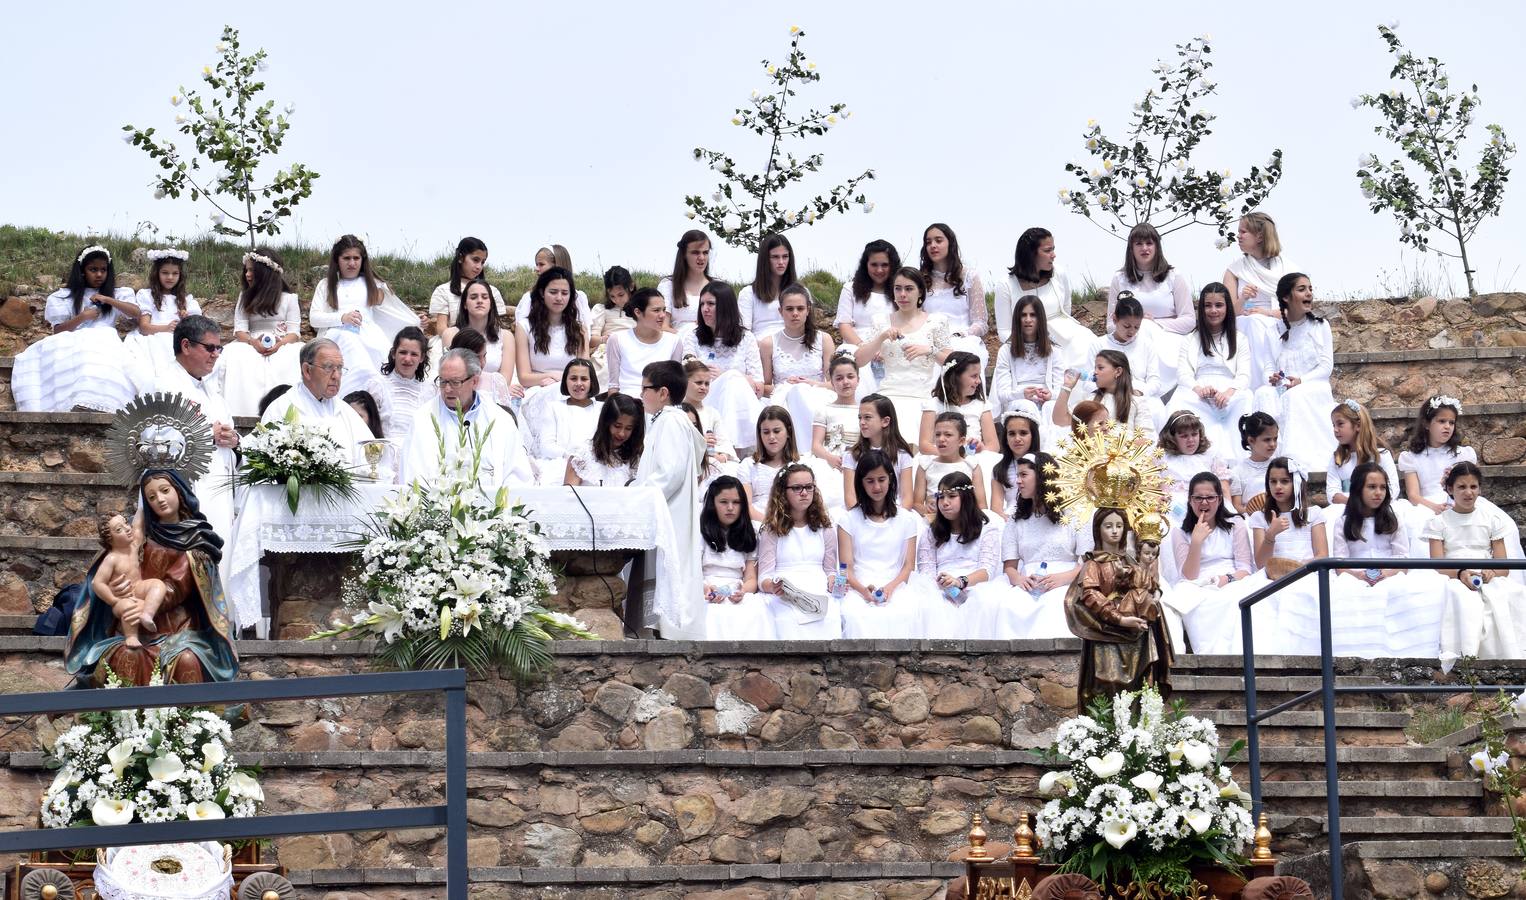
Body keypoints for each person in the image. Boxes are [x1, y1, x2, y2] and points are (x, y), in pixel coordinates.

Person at [66, 470, 238, 686]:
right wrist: (116, 590)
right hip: (136, 626)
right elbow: (109, 569)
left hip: (179, 628)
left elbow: (177, 586)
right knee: (125, 655)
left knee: (186, 661)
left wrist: (144, 604)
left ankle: (194, 717)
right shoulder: (140, 537)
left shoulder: (198, 541)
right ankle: (120, 718)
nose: (160, 500)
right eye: (152, 497)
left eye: (165, 491)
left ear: (180, 491)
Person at [1320, 462, 1439, 658]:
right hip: (1354, 576)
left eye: (1382, 487)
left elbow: (1402, 557)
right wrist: (1359, 575)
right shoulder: (1343, 523)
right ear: (1358, 489)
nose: (1378, 493)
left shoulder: (1394, 519)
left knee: (1406, 591)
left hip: (1391, 573)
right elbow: (1340, 563)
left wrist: (1384, 573)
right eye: (1372, 487)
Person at [964, 452, 1085, 640]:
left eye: (1023, 475)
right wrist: (1020, 580)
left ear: (1042, 475)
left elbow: (1088, 564)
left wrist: (1062, 578)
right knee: (1009, 606)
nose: (1017, 482)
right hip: (1027, 582)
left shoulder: (1072, 516)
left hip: (1067, 581)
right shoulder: (1016, 520)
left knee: (1055, 607)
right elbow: (1010, 568)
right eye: (1017, 475)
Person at [13, 245, 143, 413]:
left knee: (102, 340)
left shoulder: (117, 293)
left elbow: (136, 313)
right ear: (82, 270)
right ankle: (76, 400)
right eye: (93, 269)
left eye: (103, 270)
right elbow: (58, 331)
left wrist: (108, 299)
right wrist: (83, 317)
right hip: (73, 339)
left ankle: (99, 400)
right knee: (84, 349)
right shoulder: (64, 296)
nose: (99, 274)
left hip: (105, 339)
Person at [1067, 508, 1173, 708]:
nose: (1114, 531)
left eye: (1119, 526)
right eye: (1108, 526)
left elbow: (1148, 585)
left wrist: (1152, 598)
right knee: (1107, 683)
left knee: (1139, 686)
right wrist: (1119, 618)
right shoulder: (1093, 564)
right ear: (1098, 530)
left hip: (1135, 632)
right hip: (1105, 631)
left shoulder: (1130, 561)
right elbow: (1090, 595)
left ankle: (1137, 728)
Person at [633, 359, 707, 639]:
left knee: (671, 571)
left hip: (669, 512)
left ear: (662, 392)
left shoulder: (671, 421)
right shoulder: (666, 421)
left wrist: (639, 497)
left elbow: (670, 473)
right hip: (666, 510)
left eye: (645, 389)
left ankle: (671, 631)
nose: (641, 395)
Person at [152, 315, 240, 544]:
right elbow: (151, 441)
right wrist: (205, 434)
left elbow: (230, 432)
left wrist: (234, 439)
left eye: (218, 348)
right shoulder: (162, 386)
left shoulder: (212, 390)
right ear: (186, 345)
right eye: (210, 347)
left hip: (219, 490)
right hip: (186, 490)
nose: (216, 354)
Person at [1429, 462, 1526, 669]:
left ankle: (1509, 659)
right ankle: (1466, 658)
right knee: (1463, 600)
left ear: (1480, 489)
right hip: (1454, 575)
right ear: (1450, 489)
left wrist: (1491, 571)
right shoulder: (1438, 522)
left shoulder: (1491, 519)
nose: (1468, 493)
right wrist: (1460, 573)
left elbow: (1503, 565)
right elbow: (1437, 563)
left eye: (1473, 487)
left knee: (1508, 595)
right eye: (1461, 487)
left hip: (1485, 574)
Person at [837, 450, 940, 638]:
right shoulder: (847, 520)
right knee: (855, 616)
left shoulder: (907, 520)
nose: (876, 487)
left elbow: (908, 566)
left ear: (891, 479)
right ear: (861, 482)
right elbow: (845, 568)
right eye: (870, 481)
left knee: (904, 613)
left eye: (881, 479)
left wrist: (890, 588)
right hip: (858, 587)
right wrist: (863, 591)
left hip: (896, 585)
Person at [309, 235, 421, 404]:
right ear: (337, 260)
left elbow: (393, 311)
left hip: (368, 335)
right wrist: (341, 317)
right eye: (346, 258)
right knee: (351, 357)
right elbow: (314, 318)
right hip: (338, 335)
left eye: (356, 258)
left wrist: (415, 323)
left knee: (374, 369)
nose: (352, 263)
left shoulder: (372, 284)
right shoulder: (326, 285)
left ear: (363, 260)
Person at [402, 348, 533, 492]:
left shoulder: (501, 420)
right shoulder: (423, 419)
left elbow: (518, 477)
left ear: (475, 381)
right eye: (443, 381)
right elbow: (412, 477)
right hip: (438, 510)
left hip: (491, 509)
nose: (447, 389)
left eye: (455, 382)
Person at [854, 267, 952, 433]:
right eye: (897, 289)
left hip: (922, 394)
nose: (902, 294)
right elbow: (858, 360)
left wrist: (930, 350)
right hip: (890, 392)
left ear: (920, 292)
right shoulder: (881, 321)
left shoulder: (937, 321)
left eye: (909, 289)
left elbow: (952, 361)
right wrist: (882, 337)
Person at [1246, 458, 1329, 654]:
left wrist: (1298, 568)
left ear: (1296, 483)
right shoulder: (1260, 517)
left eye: (1284, 481)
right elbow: (1260, 563)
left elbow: (1322, 554)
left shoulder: (1313, 514)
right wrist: (1270, 535)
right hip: (1271, 577)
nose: (1278, 487)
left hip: (1306, 573)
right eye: (1273, 482)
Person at [1255, 272, 1336, 471]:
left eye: (1310, 289)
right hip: (1284, 386)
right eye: (1302, 289)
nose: (1309, 293)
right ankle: (1266, 456)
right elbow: (1268, 366)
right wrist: (1272, 378)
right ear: (1286, 297)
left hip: (1312, 386)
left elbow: (1326, 367)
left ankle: (1293, 458)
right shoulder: (1272, 331)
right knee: (1262, 393)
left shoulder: (1320, 326)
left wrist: (1301, 380)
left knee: (1294, 397)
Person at [1170, 473, 1257, 654]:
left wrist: (1226, 579)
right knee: (1187, 597)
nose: (1204, 503)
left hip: (1232, 579)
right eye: (1198, 498)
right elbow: (1188, 576)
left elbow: (1245, 568)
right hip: (1197, 584)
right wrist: (1196, 541)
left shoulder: (1236, 524)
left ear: (1219, 499)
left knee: (1233, 598)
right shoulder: (1179, 531)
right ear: (1190, 500)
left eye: (1210, 497)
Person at [757, 463, 845, 639]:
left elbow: (829, 570)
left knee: (831, 617)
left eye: (809, 487)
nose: (804, 493)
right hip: (785, 593)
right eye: (797, 488)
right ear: (783, 492)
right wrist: (772, 587)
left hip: (818, 588)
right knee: (787, 620)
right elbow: (764, 576)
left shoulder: (825, 528)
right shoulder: (771, 530)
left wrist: (834, 580)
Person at [1167, 283, 1254, 455]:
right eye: (1208, 305)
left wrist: (1228, 393)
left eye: (1219, 305)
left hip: (1230, 393)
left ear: (1227, 307)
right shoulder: (1191, 339)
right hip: (1198, 391)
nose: (1213, 310)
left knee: (1247, 398)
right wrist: (1199, 389)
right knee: (1177, 402)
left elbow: (1244, 375)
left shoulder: (1240, 339)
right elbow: (1183, 374)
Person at [1106, 223, 1193, 395]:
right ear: (1131, 248)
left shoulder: (1174, 276)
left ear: (1157, 246)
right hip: (1128, 339)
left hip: (1167, 339)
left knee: (1145, 329)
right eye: (1138, 244)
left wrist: (1154, 323)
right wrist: (1133, 325)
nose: (1144, 248)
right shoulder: (1119, 278)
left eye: (1149, 243)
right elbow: (1110, 323)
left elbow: (1189, 320)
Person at [259, 339, 374, 467]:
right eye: (329, 367)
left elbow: (370, 461)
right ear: (307, 370)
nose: (336, 376)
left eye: (340, 368)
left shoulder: (347, 413)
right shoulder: (280, 409)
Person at [681, 281, 764, 452]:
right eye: (702, 304)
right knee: (733, 377)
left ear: (726, 307)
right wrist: (738, 377)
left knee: (732, 378)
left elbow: (759, 388)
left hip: (742, 403)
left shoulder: (746, 338)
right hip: (705, 398)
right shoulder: (693, 338)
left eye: (711, 304)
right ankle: (728, 447)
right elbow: (687, 375)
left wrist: (729, 375)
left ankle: (734, 446)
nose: (705, 309)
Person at [916, 472, 1001, 637]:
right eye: (941, 497)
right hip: (938, 588)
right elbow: (926, 570)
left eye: (952, 496)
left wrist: (959, 582)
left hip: (974, 586)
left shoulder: (987, 530)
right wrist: (942, 584)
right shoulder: (931, 533)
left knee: (983, 603)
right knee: (927, 605)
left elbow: (987, 570)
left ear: (966, 498)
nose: (944, 503)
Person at [221, 249, 304, 417]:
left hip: (282, 342)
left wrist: (280, 343)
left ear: (265, 273)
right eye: (246, 270)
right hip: (251, 342)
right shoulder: (244, 297)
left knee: (295, 354)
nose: (248, 275)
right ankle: (243, 410)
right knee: (235, 354)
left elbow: (294, 332)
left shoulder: (289, 299)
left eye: (252, 270)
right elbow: (240, 330)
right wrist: (253, 342)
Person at [993, 228, 1089, 368]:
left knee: (1088, 347)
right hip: (1026, 340)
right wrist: (1027, 346)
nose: (1053, 255)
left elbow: (1066, 310)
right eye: (1047, 250)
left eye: (1053, 249)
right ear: (1031, 254)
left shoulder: (1060, 274)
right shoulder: (1005, 284)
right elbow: (1004, 331)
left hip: (1066, 336)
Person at [762, 283, 837, 450]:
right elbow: (765, 386)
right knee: (794, 393)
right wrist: (785, 386)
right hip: (783, 400)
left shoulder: (824, 340)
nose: (795, 313)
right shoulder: (768, 343)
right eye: (789, 309)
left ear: (808, 310)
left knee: (800, 393)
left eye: (800, 308)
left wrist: (811, 384)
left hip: (817, 397)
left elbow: (834, 384)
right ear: (780, 311)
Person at [699, 476, 774, 640]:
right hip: (706, 588)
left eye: (737, 502)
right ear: (713, 504)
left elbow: (751, 578)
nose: (730, 508)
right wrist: (706, 588)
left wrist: (742, 591)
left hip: (736, 588)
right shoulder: (700, 532)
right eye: (724, 502)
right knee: (712, 614)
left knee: (755, 612)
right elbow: (692, 573)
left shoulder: (751, 532)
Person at [1222, 212, 1290, 389]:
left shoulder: (1287, 269)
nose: (1238, 236)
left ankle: (1268, 384)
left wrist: (1267, 313)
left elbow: (1296, 310)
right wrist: (1243, 298)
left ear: (1259, 236)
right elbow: (1227, 313)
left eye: (1243, 232)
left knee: (1257, 322)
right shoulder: (1234, 270)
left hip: (1275, 320)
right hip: (1242, 323)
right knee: (1252, 322)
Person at [1088, 293, 1166, 430]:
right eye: (1127, 326)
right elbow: (1089, 379)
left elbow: (1155, 380)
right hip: (1107, 393)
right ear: (1114, 319)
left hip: (1139, 393)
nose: (1131, 331)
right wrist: (1111, 389)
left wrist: (1140, 392)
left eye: (1137, 327)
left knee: (1156, 411)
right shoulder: (1099, 344)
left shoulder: (1147, 345)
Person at [124, 248, 201, 385]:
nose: (170, 277)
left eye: (175, 273)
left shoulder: (185, 300)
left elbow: (195, 329)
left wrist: (186, 319)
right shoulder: (147, 296)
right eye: (165, 273)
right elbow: (144, 327)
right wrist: (166, 328)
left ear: (180, 275)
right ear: (157, 273)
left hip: (179, 338)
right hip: (154, 336)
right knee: (165, 346)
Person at [919, 223, 989, 371]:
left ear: (950, 243)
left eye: (938, 240)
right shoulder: (921, 279)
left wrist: (963, 334)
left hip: (963, 338)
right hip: (930, 340)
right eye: (928, 242)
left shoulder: (970, 276)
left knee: (960, 360)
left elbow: (980, 322)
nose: (933, 245)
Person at [835, 239, 899, 393]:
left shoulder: (900, 291)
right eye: (874, 265)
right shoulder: (850, 288)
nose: (879, 270)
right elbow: (844, 326)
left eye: (885, 265)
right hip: (856, 347)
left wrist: (883, 348)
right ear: (866, 265)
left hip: (890, 346)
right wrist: (866, 348)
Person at [525, 359, 602, 484]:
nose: (578, 383)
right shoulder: (553, 407)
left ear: (592, 381)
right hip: (561, 463)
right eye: (573, 378)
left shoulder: (601, 409)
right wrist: (570, 457)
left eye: (584, 379)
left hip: (595, 465)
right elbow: (546, 446)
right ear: (565, 381)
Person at [990, 295, 1065, 425]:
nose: (1028, 320)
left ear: (1040, 319)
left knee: (1050, 408)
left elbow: (1061, 390)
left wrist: (1050, 395)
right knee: (1027, 407)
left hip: (1046, 401)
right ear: (1017, 319)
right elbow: (1002, 394)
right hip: (1018, 402)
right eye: (1023, 315)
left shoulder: (1055, 351)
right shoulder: (1006, 351)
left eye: (1033, 315)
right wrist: (1021, 394)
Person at [919, 351, 998, 471]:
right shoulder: (933, 405)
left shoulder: (982, 406)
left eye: (979, 376)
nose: (979, 381)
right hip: (941, 459)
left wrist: (981, 448)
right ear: (956, 377)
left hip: (975, 460)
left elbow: (993, 445)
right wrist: (951, 455)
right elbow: (924, 445)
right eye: (973, 376)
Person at [1053, 350, 1155, 439]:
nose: (1094, 372)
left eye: (1100, 368)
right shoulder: (1091, 399)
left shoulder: (1137, 401)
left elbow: (1145, 438)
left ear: (1118, 371)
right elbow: (1060, 420)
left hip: (1124, 458)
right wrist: (1067, 387)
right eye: (1095, 368)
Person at [842, 394, 916, 510]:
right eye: (859, 417)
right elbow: (850, 497)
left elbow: (907, 498)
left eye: (867, 417)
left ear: (885, 421)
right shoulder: (852, 455)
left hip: (894, 512)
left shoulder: (902, 455)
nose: (862, 422)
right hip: (861, 513)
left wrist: (893, 520)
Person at [1157, 411, 1232, 526]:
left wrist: (1228, 509)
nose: (1191, 440)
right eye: (1184, 436)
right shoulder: (1162, 458)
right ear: (1172, 438)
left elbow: (1224, 489)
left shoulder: (1211, 455)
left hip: (1208, 505)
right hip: (1173, 509)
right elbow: (1153, 489)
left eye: (1194, 434)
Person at [606, 287, 683, 394]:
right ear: (638, 312)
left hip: (660, 404)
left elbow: (675, 385)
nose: (662, 315)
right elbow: (613, 385)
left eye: (664, 310)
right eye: (656, 310)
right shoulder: (617, 339)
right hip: (626, 405)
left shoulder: (674, 342)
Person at [428, 237, 506, 337]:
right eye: (475, 260)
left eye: (482, 262)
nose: (479, 266)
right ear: (461, 258)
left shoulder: (492, 291)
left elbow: (494, 326)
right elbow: (441, 328)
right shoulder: (443, 291)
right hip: (453, 343)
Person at [914, 412, 988, 517]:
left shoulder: (971, 466)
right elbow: (917, 503)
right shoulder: (925, 465)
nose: (941, 439)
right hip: (935, 521)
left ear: (961, 441)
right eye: (937, 434)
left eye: (948, 435)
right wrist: (927, 509)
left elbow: (981, 505)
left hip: (965, 521)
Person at [443, 277, 515, 378]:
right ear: (465, 304)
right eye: (473, 297)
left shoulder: (506, 337)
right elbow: (452, 374)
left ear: (491, 304)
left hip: (495, 392)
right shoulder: (451, 334)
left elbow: (505, 379)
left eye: (485, 297)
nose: (480, 301)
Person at [377, 326, 437, 449]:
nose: (407, 359)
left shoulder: (429, 391)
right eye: (403, 352)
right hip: (383, 454)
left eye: (414, 354)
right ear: (394, 353)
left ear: (421, 358)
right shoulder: (378, 385)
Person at [565, 393, 643, 486]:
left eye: (628, 428)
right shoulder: (581, 454)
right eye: (617, 426)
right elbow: (568, 495)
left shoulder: (635, 459)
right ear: (606, 423)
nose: (622, 433)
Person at [737, 406, 801, 520]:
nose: (771, 437)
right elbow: (746, 507)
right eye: (766, 432)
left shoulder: (801, 465)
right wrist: (771, 524)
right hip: (758, 522)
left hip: (793, 523)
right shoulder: (748, 465)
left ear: (788, 432)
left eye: (776, 431)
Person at [738, 233, 803, 339]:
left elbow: (807, 328)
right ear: (765, 259)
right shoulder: (748, 294)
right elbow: (744, 335)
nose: (781, 262)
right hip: (760, 349)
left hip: (794, 347)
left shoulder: (801, 292)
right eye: (775, 257)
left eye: (785, 256)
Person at [513, 244, 593, 328]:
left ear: (556, 265)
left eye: (541, 264)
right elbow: (522, 329)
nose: (536, 269)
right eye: (536, 264)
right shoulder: (529, 298)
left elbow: (586, 331)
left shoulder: (578, 298)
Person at [988, 402, 1042, 517]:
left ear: (1033, 435)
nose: (1017, 439)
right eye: (1012, 434)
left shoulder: (1044, 464)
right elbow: (996, 510)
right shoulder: (999, 469)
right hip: (1011, 518)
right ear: (1005, 438)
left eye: (1023, 433)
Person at [657, 229, 712, 332]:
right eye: (695, 252)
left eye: (705, 252)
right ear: (684, 254)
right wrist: (690, 338)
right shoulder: (668, 285)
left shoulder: (717, 286)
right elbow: (663, 327)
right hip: (678, 343)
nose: (701, 257)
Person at [590, 266, 636, 384]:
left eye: (621, 295)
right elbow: (590, 340)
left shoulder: (641, 309)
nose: (617, 300)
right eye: (612, 296)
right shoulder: (602, 310)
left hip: (634, 347)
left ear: (631, 287)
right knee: (605, 367)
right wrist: (603, 339)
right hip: (607, 348)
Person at [1231, 412, 1279, 516]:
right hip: (1251, 520)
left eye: (1275, 439)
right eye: (1267, 440)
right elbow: (1237, 506)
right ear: (1251, 440)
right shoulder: (1238, 471)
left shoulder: (1280, 465)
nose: (1272, 444)